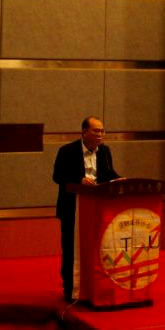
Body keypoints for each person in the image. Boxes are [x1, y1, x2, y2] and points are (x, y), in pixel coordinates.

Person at [52, 116, 121, 302]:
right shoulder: (67, 151)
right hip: (72, 208)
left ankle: (94, 286)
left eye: (102, 131)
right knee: (70, 248)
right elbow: (57, 176)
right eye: (96, 131)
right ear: (84, 132)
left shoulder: (105, 151)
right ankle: (70, 288)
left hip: (97, 208)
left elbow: (109, 174)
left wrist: (120, 180)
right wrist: (78, 180)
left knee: (96, 249)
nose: (100, 135)